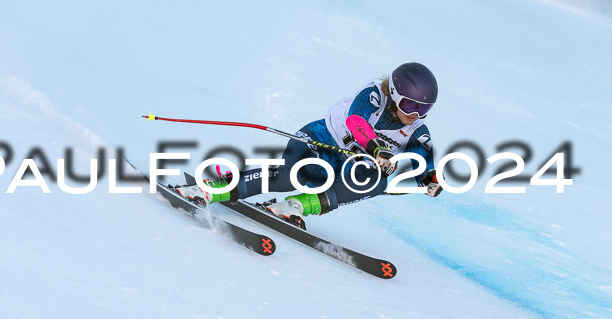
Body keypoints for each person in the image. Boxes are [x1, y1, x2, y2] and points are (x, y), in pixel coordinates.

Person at [176, 62, 443, 229]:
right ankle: (211, 189)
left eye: (424, 108)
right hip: (318, 140)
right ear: (395, 94)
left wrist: (430, 178)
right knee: (289, 177)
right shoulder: (374, 93)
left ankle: (294, 206)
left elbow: (423, 160)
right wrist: (375, 148)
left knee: (378, 182)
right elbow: (356, 121)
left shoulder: (417, 130)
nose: (415, 114)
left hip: (344, 168)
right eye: (410, 104)